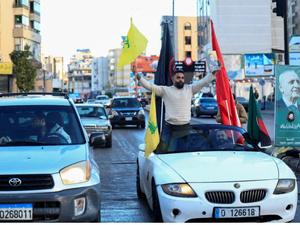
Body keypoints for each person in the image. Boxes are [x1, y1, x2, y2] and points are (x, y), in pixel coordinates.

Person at [133, 63, 221, 130]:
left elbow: (203, 82)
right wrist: (138, 76)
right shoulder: (166, 90)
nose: (181, 80)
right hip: (170, 128)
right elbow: (149, 86)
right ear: (173, 79)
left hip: (186, 127)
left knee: (185, 153)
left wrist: (214, 72)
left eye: (182, 78)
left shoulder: (190, 89)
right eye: (178, 77)